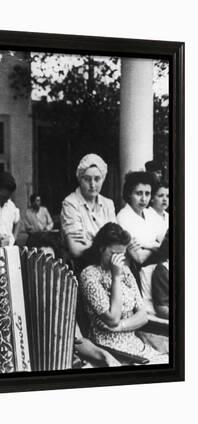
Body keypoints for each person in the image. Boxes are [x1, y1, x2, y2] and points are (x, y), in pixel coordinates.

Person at [79, 223, 167, 364]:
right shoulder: (89, 275)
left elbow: (143, 316)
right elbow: (113, 318)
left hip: (135, 343)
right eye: (114, 254)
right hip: (109, 348)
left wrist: (121, 326)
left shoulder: (125, 270)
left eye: (122, 254)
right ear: (101, 248)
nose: (119, 259)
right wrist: (116, 277)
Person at [60, 153, 116, 267]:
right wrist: (106, 245)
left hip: (108, 265)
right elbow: (76, 249)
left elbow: (116, 242)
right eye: (87, 179)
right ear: (80, 179)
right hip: (82, 266)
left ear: (103, 179)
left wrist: (90, 243)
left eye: (97, 179)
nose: (92, 184)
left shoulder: (108, 204)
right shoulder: (71, 204)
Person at [117, 171, 161, 314]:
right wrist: (156, 244)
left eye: (147, 194)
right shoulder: (123, 217)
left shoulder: (151, 214)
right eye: (139, 193)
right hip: (137, 273)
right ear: (129, 193)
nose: (143, 198)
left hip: (158, 272)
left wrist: (147, 245)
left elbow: (165, 237)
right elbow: (138, 257)